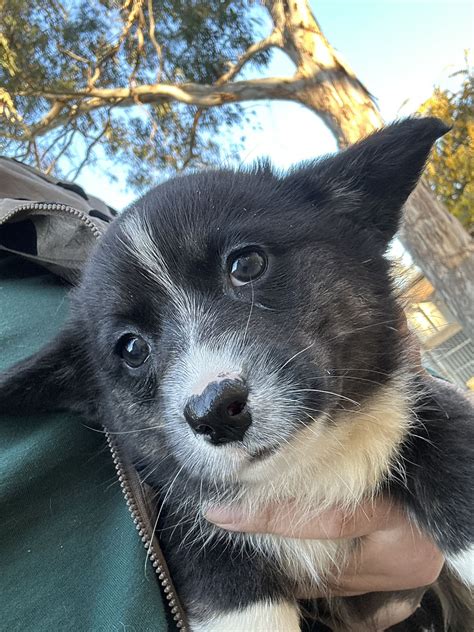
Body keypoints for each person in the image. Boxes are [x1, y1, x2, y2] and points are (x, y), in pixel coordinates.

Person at [0, 157, 445, 630]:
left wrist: (430, 462)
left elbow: (391, 359)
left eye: (245, 266)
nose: (207, 393)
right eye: (131, 349)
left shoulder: (52, 200)